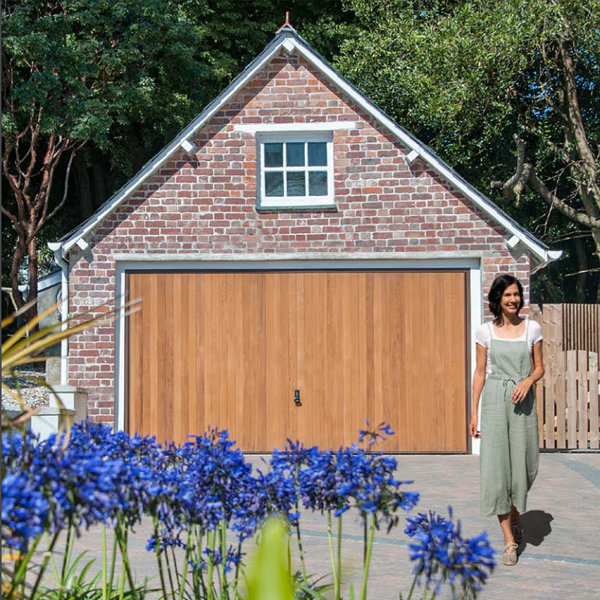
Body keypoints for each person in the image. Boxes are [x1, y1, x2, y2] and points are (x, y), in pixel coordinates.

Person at [470, 274, 544, 566]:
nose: (513, 300)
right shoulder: (485, 331)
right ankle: (509, 541)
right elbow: (479, 372)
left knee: (524, 469)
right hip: (494, 404)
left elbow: (540, 368)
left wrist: (528, 381)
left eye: (516, 294)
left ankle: (514, 517)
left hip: (523, 404)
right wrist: (473, 412)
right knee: (497, 470)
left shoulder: (532, 329)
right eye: (507, 295)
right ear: (497, 300)